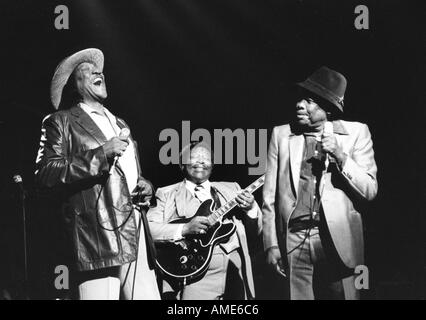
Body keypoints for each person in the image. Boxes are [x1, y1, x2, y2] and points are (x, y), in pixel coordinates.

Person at [35, 48, 160, 300]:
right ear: (75, 84)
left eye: (100, 70)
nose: (98, 72)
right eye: (88, 70)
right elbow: (45, 173)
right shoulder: (61, 121)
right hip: (97, 235)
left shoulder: (120, 123)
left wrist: (145, 185)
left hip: (135, 227)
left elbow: (128, 174)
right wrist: (101, 154)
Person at [262, 66, 378, 300]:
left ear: (328, 108)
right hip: (294, 237)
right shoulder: (281, 135)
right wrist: (270, 244)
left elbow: (370, 190)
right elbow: (269, 197)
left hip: (339, 237)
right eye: (299, 99)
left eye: (309, 101)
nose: (299, 105)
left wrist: (340, 155)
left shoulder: (356, 133)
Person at [147, 142, 262, 300]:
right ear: (182, 164)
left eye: (206, 159)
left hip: (234, 270)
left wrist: (251, 208)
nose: (201, 162)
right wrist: (185, 228)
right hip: (193, 275)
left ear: (212, 165)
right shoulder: (166, 193)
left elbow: (257, 232)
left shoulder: (232, 188)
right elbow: (149, 231)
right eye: (194, 157)